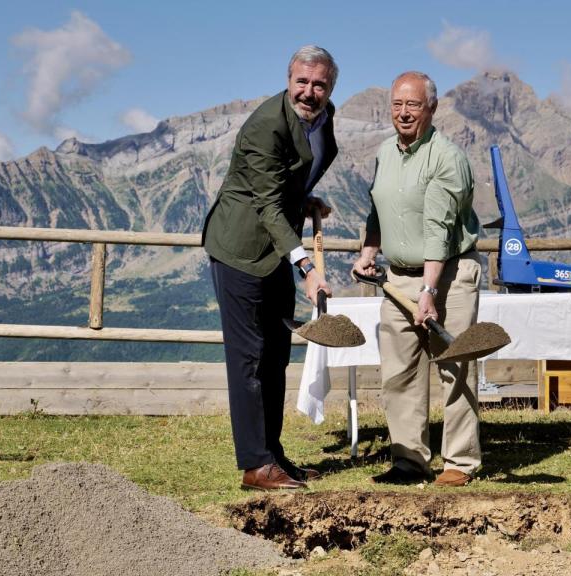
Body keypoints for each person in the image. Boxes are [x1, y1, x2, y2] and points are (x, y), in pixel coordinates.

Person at [202, 45, 339, 490]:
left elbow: (290, 178)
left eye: (319, 84)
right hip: (241, 248)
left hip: (276, 249)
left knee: (276, 354)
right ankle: (254, 466)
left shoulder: (324, 117)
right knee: (249, 359)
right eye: (302, 81)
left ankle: (273, 454)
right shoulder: (266, 124)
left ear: (330, 87)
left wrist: (304, 199)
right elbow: (264, 200)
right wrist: (306, 267)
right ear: (288, 79)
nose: (309, 91)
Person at [352, 71, 482, 487]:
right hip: (397, 279)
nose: (403, 113)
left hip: (448, 277)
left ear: (431, 108)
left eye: (413, 105)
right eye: (397, 104)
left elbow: (438, 228)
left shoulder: (447, 158)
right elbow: (379, 210)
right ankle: (409, 461)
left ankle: (459, 462)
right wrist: (369, 252)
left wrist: (428, 291)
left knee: (455, 366)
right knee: (400, 371)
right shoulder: (384, 153)